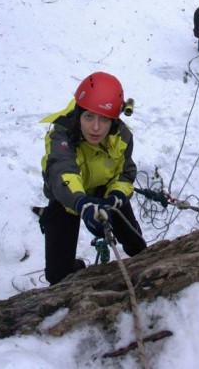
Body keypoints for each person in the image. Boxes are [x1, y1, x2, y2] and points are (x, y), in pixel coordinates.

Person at [37, 71, 147, 285]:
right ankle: (74, 268)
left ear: (113, 120)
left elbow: (125, 174)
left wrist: (116, 196)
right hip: (67, 199)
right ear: (79, 114)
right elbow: (62, 171)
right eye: (88, 117)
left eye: (104, 119)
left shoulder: (122, 136)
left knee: (137, 245)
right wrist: (81, 202)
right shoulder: (61, 135)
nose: (95, 128)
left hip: (106, 192)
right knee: (57, 275)